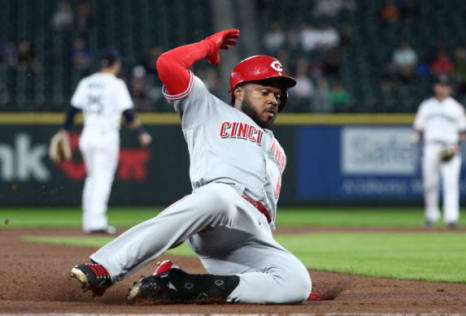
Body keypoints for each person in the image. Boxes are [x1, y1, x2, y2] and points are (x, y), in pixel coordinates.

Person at [69, 29, 313, 304]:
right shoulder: (207, 108)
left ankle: (178, 284)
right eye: (265, 91)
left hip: (253, 237)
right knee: (220, 197)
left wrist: (273, 279)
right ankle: (105, 266)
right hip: (217, 209)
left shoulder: (278, 150)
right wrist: (206, 46)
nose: (273, 100)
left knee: (298, 284)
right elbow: (167, 65)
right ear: (238, 91)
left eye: (278, 96)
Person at [55, 49, 152, 234]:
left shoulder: (87, 82)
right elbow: (129, 113)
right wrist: (141, 132)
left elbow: (73, 109)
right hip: (106, 136)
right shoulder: (116, 84)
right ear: (115, 64)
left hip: (88, 135)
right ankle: (97, 222)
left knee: (92, 179)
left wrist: (64, 131)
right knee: (102, 179)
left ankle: (89, 220)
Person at [412, 75, 466, 228]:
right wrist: (416, 135)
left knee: (450, 183)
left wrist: (459, 144)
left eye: (445, 85)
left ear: (450, 88)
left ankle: (451, 218)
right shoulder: (426, 106)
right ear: (435, 87)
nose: (442, 88)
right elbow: (418, 127)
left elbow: (463, 132)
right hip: (431, 146)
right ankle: (431, 215)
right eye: (439, 85)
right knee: (429, 183)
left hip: (449, 147)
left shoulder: (457, 107)